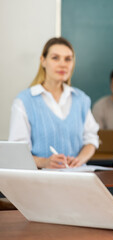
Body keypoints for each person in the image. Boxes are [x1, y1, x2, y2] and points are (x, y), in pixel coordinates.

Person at [9, 37, 99, 169]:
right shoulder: (24, 101)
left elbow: (91, 139)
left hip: (77, 179)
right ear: (43, 61)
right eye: (55, 58)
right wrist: (43, 162)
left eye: (68, 59)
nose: (63, 64)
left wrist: (79, 160)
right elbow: (17, 153)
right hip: (38, 181)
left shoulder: (81, 99)